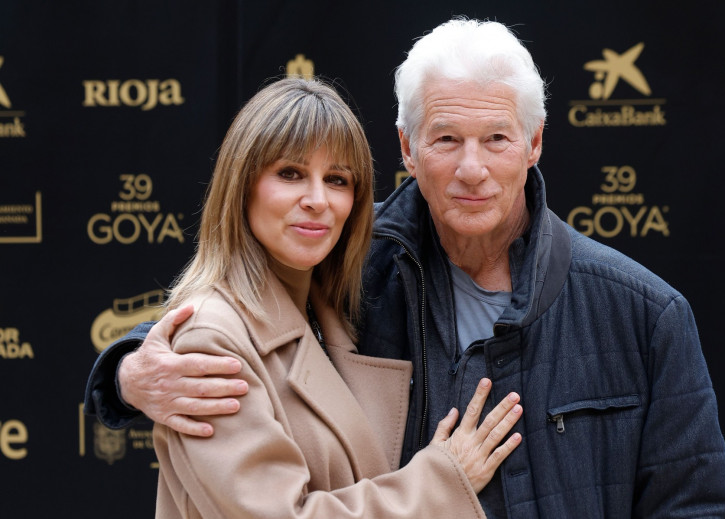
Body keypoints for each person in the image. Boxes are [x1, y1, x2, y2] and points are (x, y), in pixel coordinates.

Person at [85, 19, 725, 518]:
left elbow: (696, 505)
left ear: (534, 144)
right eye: (447, 139)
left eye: (497, 139)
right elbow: (233, 310)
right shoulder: (354, 272)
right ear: (407, 147)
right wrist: (129, 368)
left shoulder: (644, 313)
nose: (472, 168)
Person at [87, 77, 526, 518]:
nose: (318, 200)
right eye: (290, 173)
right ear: (242, 184)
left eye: (337, 179)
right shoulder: (210, 340)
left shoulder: (331, 305)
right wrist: (445, 481)